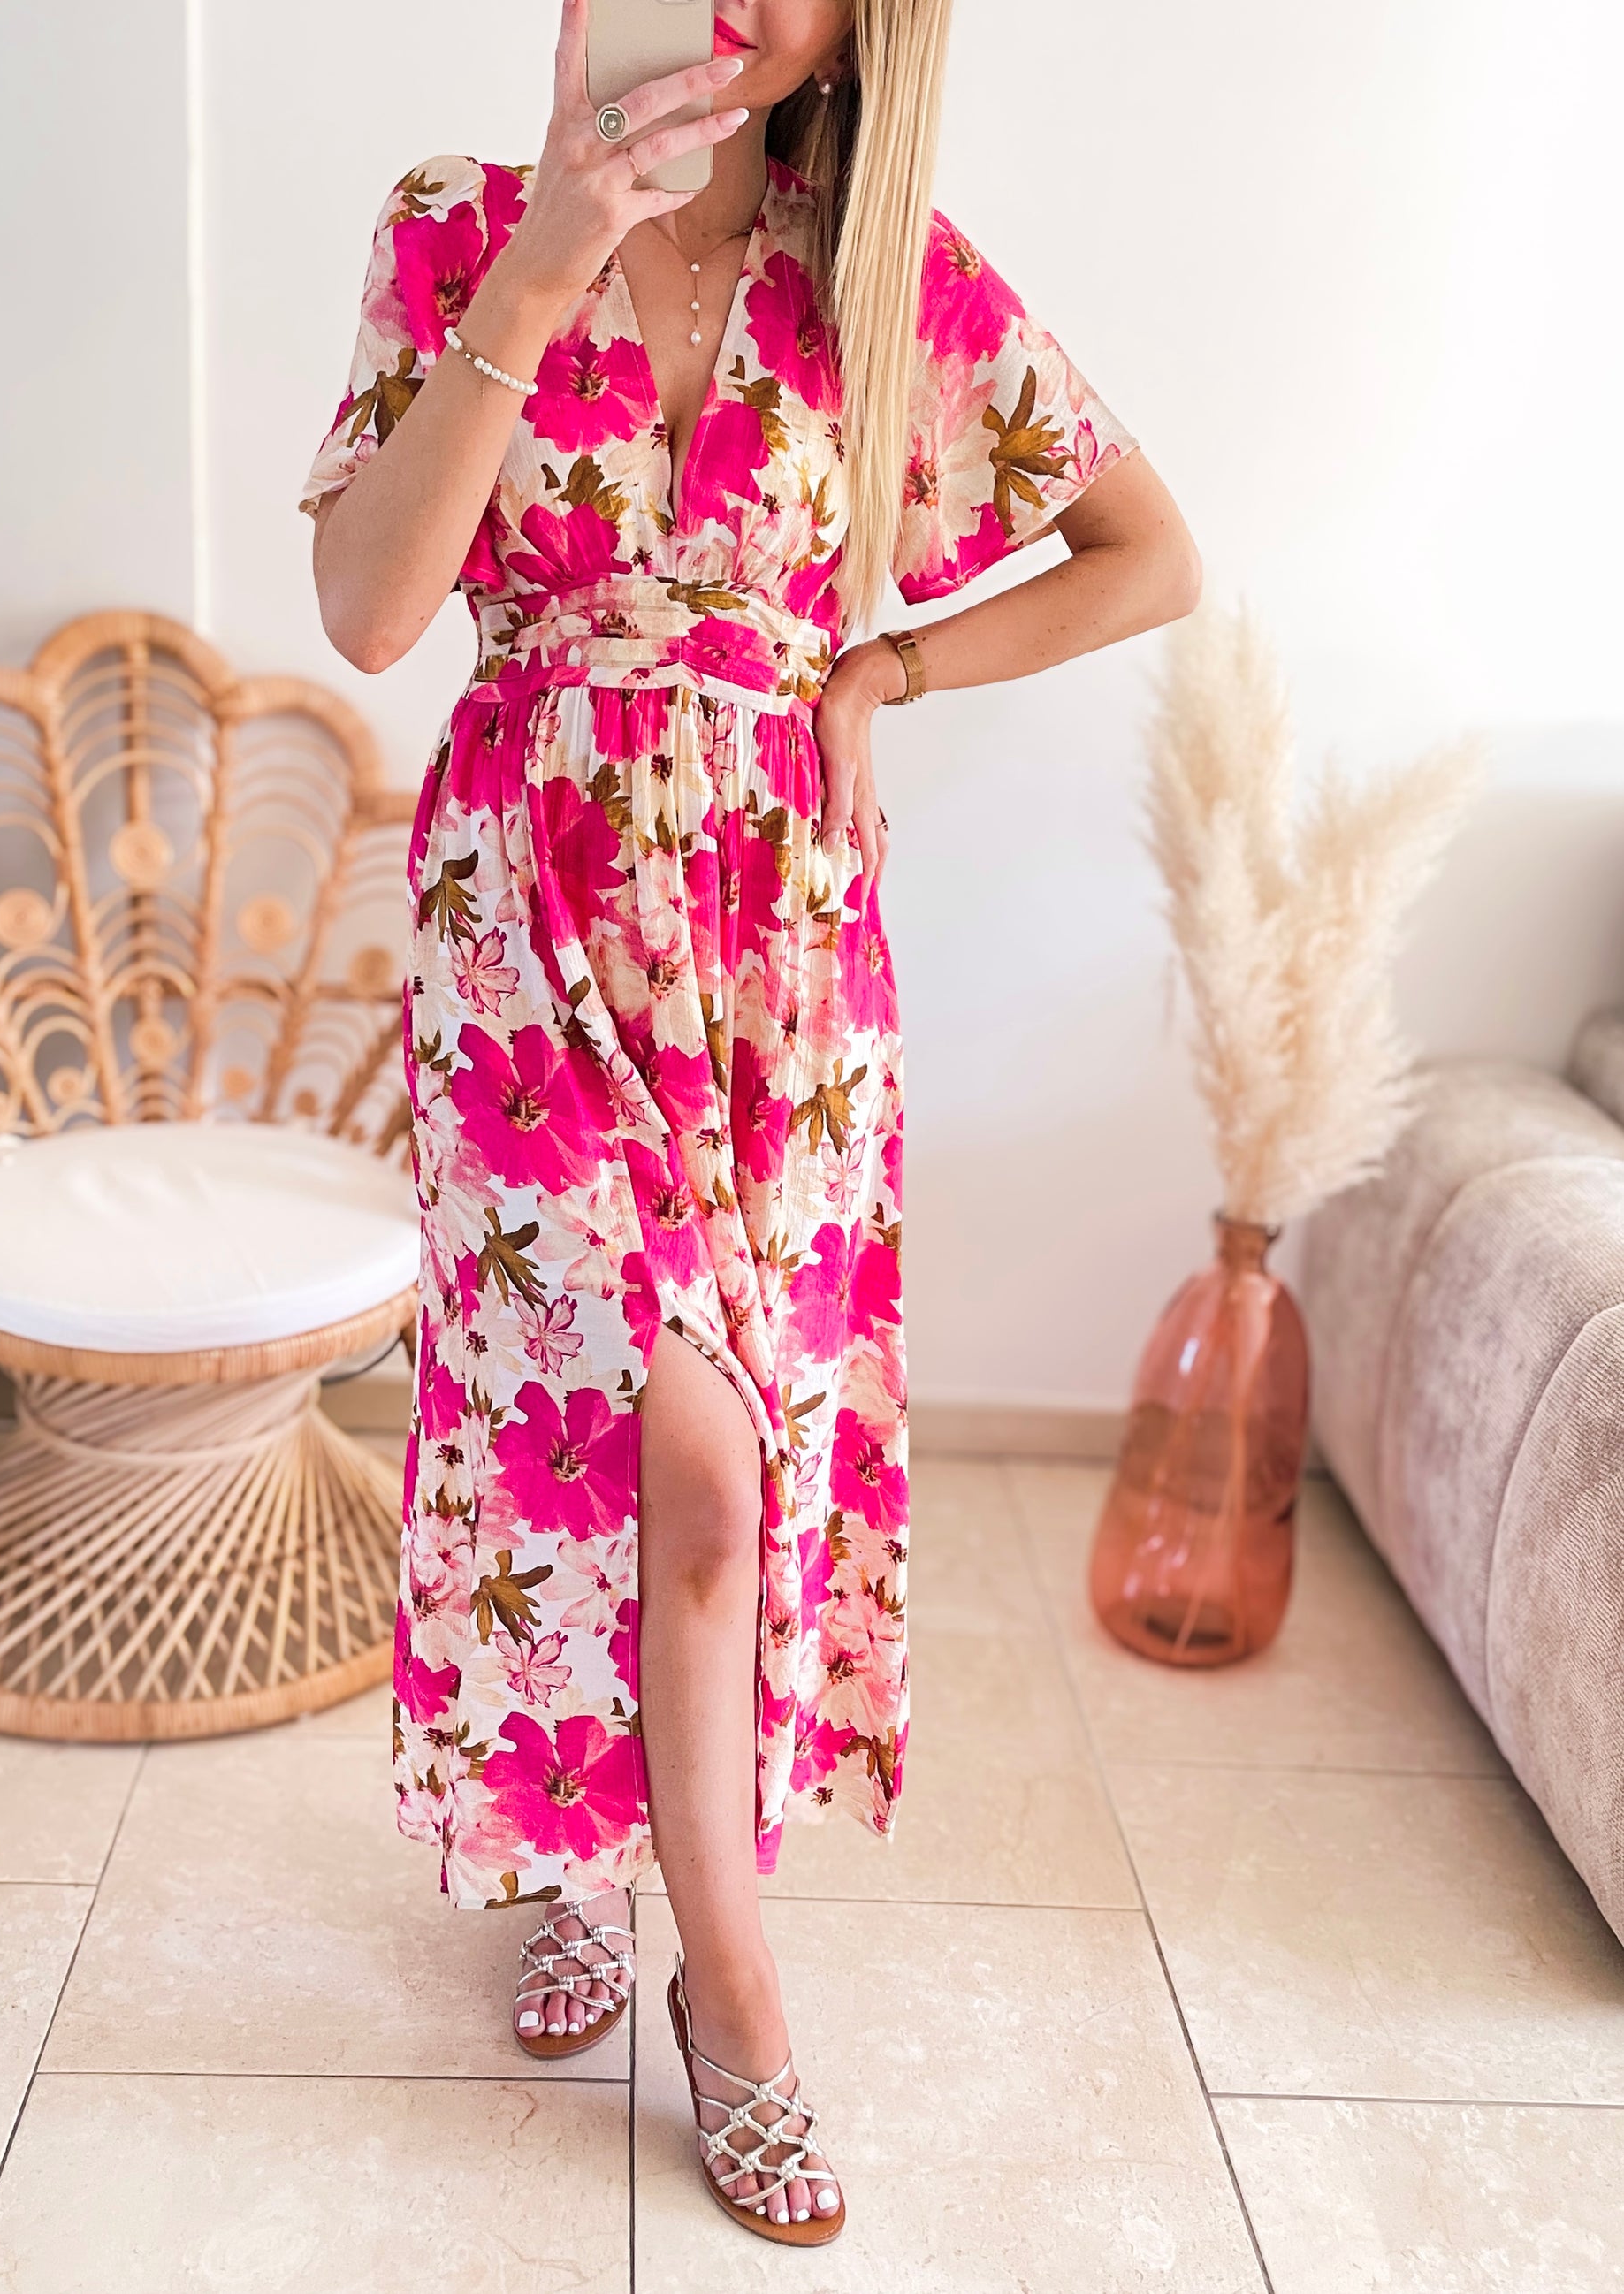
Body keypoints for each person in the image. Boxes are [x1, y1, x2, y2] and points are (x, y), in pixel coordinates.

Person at [303, 0, 1199, 2246]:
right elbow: (373, 608)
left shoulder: (880, 276)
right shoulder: (451, 227)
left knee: (715, 1484)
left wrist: (886, 663)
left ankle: (613, 1854)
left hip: (776, 966)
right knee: (642, 1452)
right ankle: (739, 1992)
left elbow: (1146, 552)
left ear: (842, 36)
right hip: (529, 935)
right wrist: (545, 262)